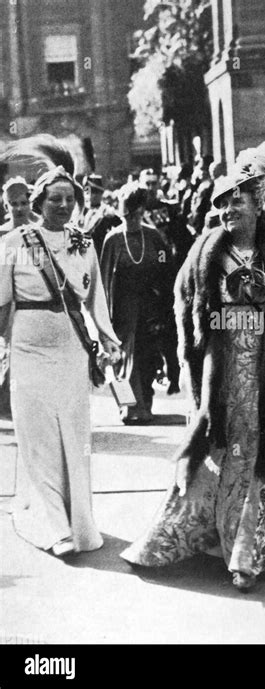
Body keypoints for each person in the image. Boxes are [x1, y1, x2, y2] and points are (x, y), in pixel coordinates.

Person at [121, 149, 265, 590]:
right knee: (216, 446)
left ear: (258, 203)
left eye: (238, 200)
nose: (229, 209)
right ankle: (199, 534)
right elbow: (182, 301)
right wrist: (186, 356)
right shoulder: (205, 250)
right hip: (222, 365)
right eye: (223, 202)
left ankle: (247, 551)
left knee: (260, 451)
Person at [0, 135, 121, 556]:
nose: (63, 206)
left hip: (71, 353)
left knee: (73, 435)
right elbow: (1, 304)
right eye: (54, 199)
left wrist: (108, 340)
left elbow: (96, 300)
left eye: (69, 199)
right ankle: (53, 527)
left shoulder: (83, 243)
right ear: (38, 201)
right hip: (28, 352)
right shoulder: (13, 245)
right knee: (38, 438)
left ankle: (79, 523)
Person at [100, 182, 180, 425]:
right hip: (123, 309)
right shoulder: (112, 240)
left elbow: (168, 269)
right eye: (126, 216)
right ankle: (129, 408)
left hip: (150, 308)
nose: (131, 220)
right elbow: (103, 281)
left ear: (142, 211)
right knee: (124, 361)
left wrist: (166, 304)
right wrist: (103, 319)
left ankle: (145, 402)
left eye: (135, 215)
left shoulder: (154, 237)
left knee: (147, 359)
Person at [0, 177, 38, 418]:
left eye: (23, 202)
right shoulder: (2, 234)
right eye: (14, 203)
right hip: (4, 303)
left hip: (29, 303)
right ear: (6, 206)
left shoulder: (39, 232)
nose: (19, 208)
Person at [78, 174, 122, 257]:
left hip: (98, 254)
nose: (92, 195)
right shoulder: (81, 211)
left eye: (96, 191)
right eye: (87, 190)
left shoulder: (108, 213)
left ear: (101, 193)